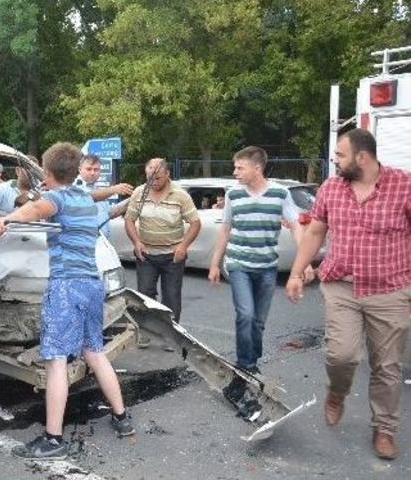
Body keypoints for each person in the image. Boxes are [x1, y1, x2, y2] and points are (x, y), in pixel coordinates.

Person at [0, 142, 134, 460]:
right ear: (75, 170)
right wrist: (41, 192)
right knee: (94, 352)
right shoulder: (81, 196)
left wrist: (5, 221)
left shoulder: (55, 199)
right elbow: (74, 197)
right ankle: (123, 419)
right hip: (92, 285)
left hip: (66, 287)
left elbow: (34, 210)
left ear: (49, 171)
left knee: (55, 361)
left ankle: (53, 439)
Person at [286, 129, 411, 460]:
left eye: (340, 155)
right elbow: (315, 230)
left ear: (362, 157)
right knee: (341, 355)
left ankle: (384, 429)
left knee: (388, 365)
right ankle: (337, 393)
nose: (334, 161)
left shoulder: (404, 185)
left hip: (391, 290)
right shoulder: (331, 188)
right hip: (341, 285)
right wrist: (297, 273)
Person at [208, 146, 311, 374]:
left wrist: (306, 263)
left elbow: (296, 227)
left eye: (239, 167)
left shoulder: (280, 194)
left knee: (258, 321)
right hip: (238, 265)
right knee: (245, 315)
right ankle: (246, 365)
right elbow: (225, 229)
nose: (235, 172)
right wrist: (215, 264)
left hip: (267, 267)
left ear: (257, 168)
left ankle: (251, 357)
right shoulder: (232, 194)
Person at [125, 158, 201, 327]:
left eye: (157, 178)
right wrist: (136, 242)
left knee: (171, 297)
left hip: (172, 256)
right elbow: (129, 220)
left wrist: (183, 246)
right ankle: (147, 330)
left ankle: (172, 334)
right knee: (144, 295)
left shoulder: (180, 195)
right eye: (149, 178)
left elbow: (195, 223)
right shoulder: (140, 192)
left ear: (167, 174)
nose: (153, 182)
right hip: (146, 255)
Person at [73, 154, 134, 236]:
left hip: (99, 241)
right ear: (80, 169)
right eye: (89, 169)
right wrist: (114, 189)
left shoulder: (98, 189)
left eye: (96, 169)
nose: (92, 173)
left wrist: (133, 199)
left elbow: (109, 213)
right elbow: (88, 197)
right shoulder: (73, 186)